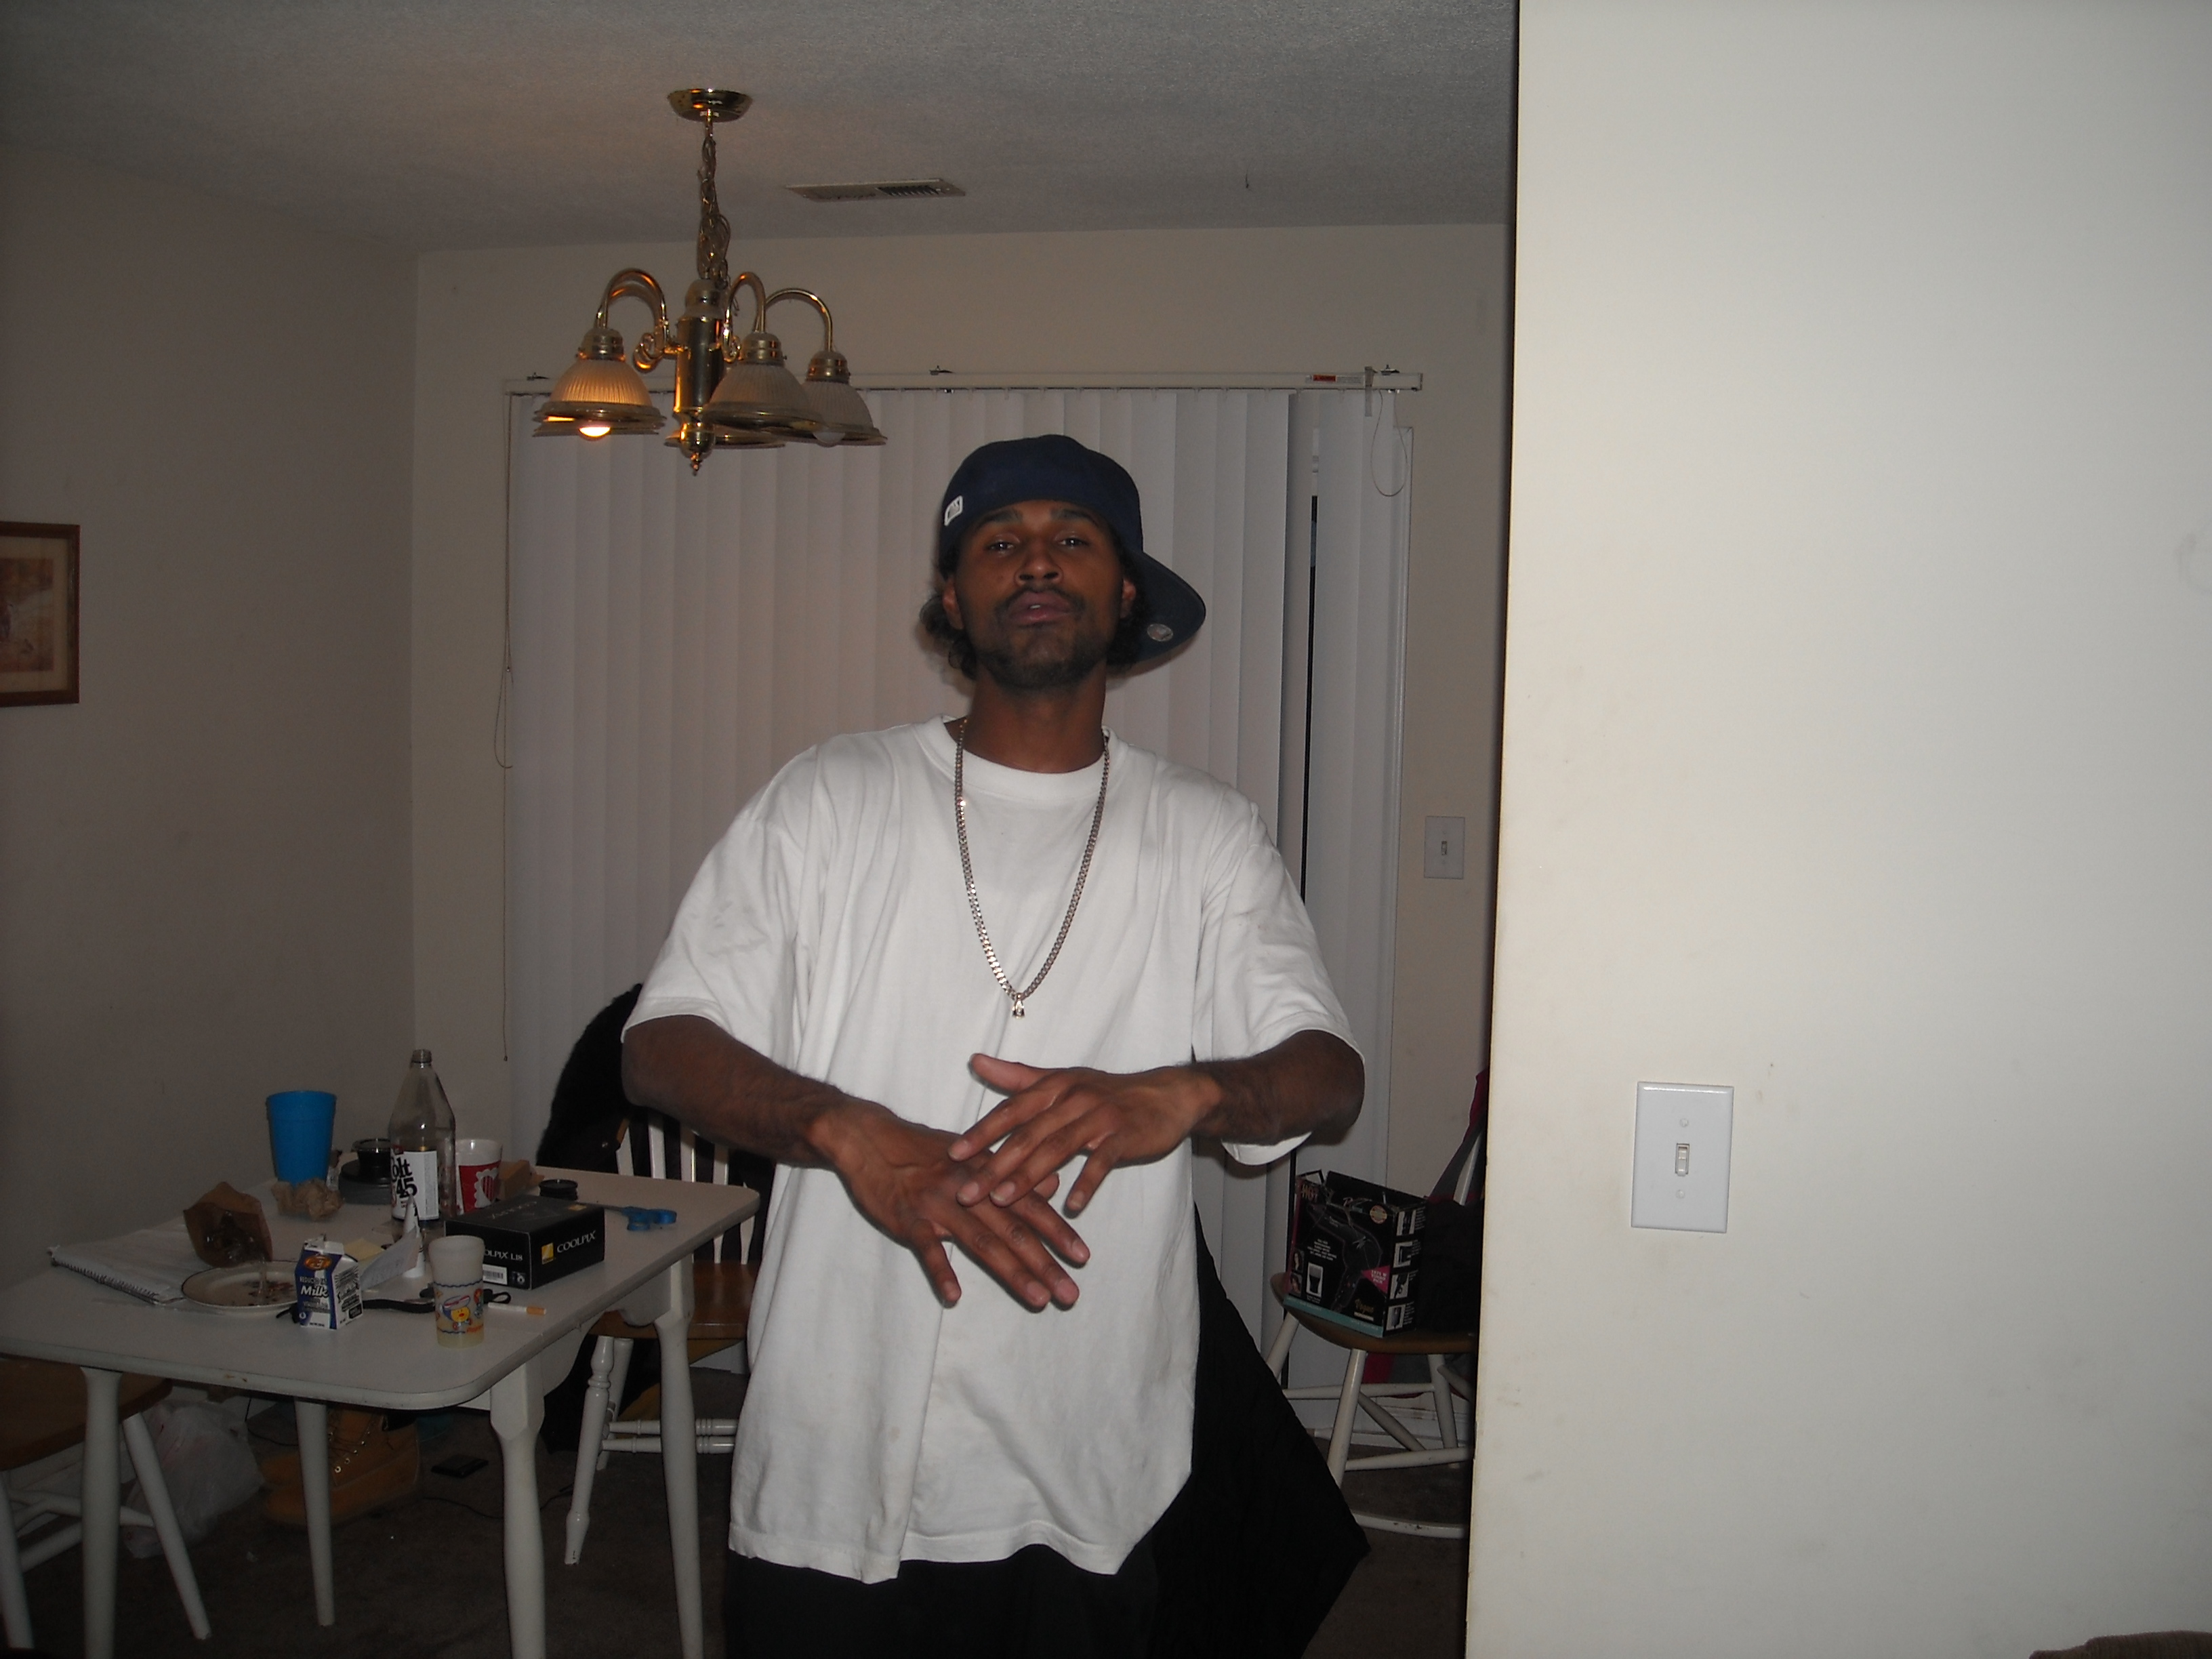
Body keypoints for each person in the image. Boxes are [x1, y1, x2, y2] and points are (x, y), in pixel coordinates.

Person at [621, 433, 1365, 1657]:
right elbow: (663, 1043)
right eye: (999, 542)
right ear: (954, 599)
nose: (1037, 562)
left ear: (1126, 591)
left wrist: (1184, 1093)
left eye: (1073, 538)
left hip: (1083, 1460)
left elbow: (1328, 1074)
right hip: (832, 1448)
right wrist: (842, 1129)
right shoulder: (830, 795)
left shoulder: (1207, 833)